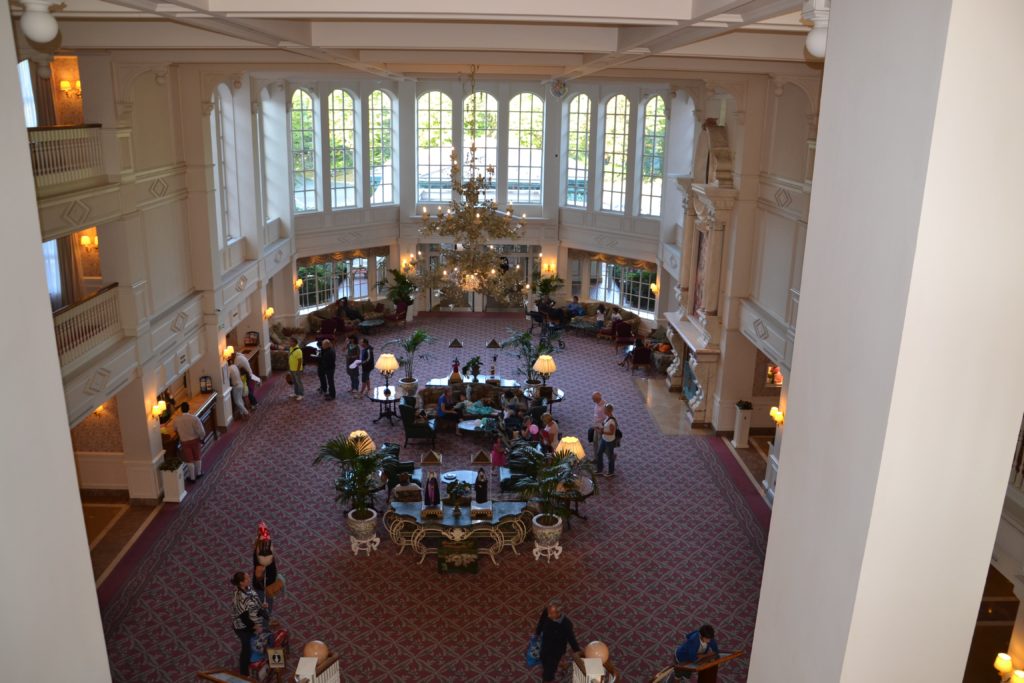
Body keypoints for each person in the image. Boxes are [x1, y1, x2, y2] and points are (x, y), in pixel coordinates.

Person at [533, 600, 583, 682]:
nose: (548, 615)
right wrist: (537, 633)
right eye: (548, 611)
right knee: (543, 660)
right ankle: (563, 664)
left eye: (551, 613)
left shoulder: (566, 624)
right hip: (545, 645)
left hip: (556, 651)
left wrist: (578, 652)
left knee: (548, 672)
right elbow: (541, 622)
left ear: (558, 613)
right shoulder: (547, 611)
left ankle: (548, 678)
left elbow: (571, 639)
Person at [230, 571, 265, 677]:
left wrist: (261, 607)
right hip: (242, 627)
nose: (249, 579)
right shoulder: (238, 596)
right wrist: (256, 626)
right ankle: (244, 674)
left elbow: (254, 600)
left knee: (254, 643)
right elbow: (244, 618)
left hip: (251, 621)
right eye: (247, 578)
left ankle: (254, 662)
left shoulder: (247, 588)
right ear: (241, 583)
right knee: (246, 648)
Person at [173, 402, 206, 481]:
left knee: (189, 459)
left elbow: (175, 429)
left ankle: (192, 478)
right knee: (197, 457)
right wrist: (201, 438)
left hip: (184, 442)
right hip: (195, 440)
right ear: (189, 408)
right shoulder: (194, 418)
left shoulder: (177, 420)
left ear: (181, 410)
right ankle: (198, 473)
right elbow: (201, 431)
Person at [596, 403, 618, 477]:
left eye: (604, 410)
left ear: (608, 411)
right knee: (599, 453)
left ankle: (611, 472)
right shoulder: (607, 417)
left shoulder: (612, 421)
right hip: (604, 439)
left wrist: (602, 431)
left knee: (610, 457)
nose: (603, 410)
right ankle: (599, 470)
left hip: (609, 441)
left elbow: (612, 432)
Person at [590, 392, 607, 459]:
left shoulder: (603, 407)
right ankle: (596, 458)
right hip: (596, 426)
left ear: (597, 399)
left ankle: (611, 455)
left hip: (600, 428)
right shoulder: (598, 404)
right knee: (595, 442)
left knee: (600, 444)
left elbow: (605, 418)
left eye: (593, 399)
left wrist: (601, 429)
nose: (592, 400)